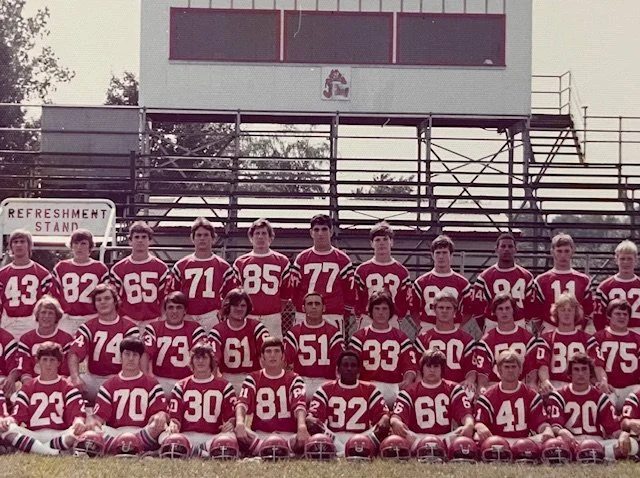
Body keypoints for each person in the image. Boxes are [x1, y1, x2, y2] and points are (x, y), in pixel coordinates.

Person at [0, 342, 86, 455]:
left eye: (52, 360)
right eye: (44, 360)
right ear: (38, 361)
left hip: (60, 433)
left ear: (59, 363)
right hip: (34, 434)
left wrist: (79, 422)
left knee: (79, 433)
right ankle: (53, 452)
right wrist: (7, 421)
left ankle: (35, 449)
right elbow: (17, 417)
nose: (48, 364)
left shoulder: (68, 387)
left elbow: (77, 414)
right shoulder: (28, 387)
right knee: (6, 429)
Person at [547, 353, 635, 460]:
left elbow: (613, 429)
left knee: (627, 444)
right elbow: (555, 425)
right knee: (553, 444)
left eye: (584, 369)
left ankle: (586, 454)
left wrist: (623, 435)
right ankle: (596, 455)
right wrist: (562, 431)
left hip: (596, 441)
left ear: (590, 373)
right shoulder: (559, 395)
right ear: (570, 373)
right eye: (576, 369)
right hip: (571, 440)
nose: (580, 373)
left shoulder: (600, 397)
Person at [89, 337, 168, 452]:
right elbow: (99, 418)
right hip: (116, 432)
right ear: (120, 357)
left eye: (135, 355)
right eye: (127, 354)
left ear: (140, 358)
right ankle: (130, 446)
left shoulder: (152, 384)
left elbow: (162, 412)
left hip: (142, 431)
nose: (131, 359)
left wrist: (161, 415)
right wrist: (93, 423)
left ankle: (120, 447)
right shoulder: (109, 385)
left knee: (158, 423)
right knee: (94, 428)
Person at [234, 337, 309, 456]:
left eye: (277, 351)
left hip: (288, 435)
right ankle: (279, 450)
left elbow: (299, 406)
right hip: (260, 435)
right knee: (231, 439)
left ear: (283, 356)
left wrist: (301, 426)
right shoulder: (253, 378)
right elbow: (242, 403)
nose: (272, 355)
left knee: (309, 440)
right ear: (262, 357)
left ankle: (269, 450)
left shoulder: (294, 378)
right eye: (268, 351)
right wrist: (239, 423)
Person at [161, 341, 237, 457]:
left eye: (204, 358)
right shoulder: (181, 385)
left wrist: (230, 423)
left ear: (211, 361)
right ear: (191, 360)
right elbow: (175, 418)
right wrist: (173, 424)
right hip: (186, 436)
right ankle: (202, 453)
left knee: (230, 438)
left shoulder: (224, 386)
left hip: (212, 437)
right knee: (164, 436)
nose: (200, 361)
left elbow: (230, 418)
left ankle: (193, 451)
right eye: (197, 358)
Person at [307, 350, 389, 455]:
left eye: (353, 365)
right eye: (345, 365)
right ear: (338, 369)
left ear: (359, 370)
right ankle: (347, 451)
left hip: (361, 436)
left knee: (384, 424)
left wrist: (384, 420)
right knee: (311, 422)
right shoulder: (326, 388)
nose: (349, 368)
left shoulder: (370, 389)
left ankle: (343, 452)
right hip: (334, 437)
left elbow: (384, 416)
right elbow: (311, 418)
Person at [390, 349, 475, 450]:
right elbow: (396, 417)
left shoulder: (453, 388)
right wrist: (396, 422)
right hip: (416, 437)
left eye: (436, 366)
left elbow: (466, 415)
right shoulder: (410, 391)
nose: (432, 370)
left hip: (445, 437)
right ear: (422, 368)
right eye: (428, 366)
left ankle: (430, 448)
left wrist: (469, 424)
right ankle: (431, 448)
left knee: (463, 432)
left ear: (442, 369)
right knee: (398, 434)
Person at [68, 283, 140, 401]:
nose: (102, 302)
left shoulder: (129, 327)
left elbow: (134, 359)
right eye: (98, 300)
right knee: (68, 387)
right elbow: (74, 354)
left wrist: (122, 377)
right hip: (93, 379)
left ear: (115, 301)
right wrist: (75, 377)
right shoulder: (88, 327)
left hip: (120, 379)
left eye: (107, 298)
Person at [286, 214, 355, 331]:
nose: (320, 233)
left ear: (331, 231)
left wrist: (342, 310)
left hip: (332, 315)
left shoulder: (342, 259)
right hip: (305, 315)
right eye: (316, 230)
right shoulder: (302, 259)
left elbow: (349, 291)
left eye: (324, 229)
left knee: (334, 349)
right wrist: (301, 308)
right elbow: (294, 290)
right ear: (311, 232)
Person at [349, 290, 417, 407]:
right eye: (377, 308)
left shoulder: (400, 337)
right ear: (370, 311)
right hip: (367, 386)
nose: (381, 312)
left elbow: (410, 367)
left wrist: (406, 382)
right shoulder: (359, 337)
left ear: (391, 311)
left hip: (393, 386)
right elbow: (352, 367)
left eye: (385, 309)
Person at [170, 217, 238, 332]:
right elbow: (172, 295)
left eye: (206, 235)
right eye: (199, 235)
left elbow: (231, 296)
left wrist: (222, 312)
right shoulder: (181, 265)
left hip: (211, 316)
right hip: (187, 316)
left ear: (213, 239)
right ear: (193, 239)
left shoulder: (223, 266)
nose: (202, 238)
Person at [475, 350, 554, 442]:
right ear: (499, 370)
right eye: (507, 367)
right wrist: (480, 427)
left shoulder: (531, 395)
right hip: (497, 444)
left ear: (520, 370)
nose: (510, 370)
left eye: (514, 367)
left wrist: (547, 429)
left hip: (525, 443)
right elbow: (479, 422)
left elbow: (540, 423)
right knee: (476, 437)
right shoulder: (488, 397)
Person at [537, 293, 607, 394]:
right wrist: (545, 381)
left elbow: (598, 366)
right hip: (555, 384)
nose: (566, 313)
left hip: (581, 385)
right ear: (556, 313)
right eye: (562, 310)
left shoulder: (587, 339)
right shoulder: (546, 338)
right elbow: (543, 367)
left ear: (576, 313)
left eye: (570, 310)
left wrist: (603, 381)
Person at [233, 218, 291, 338]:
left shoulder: (282, 261)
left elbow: (285, 295)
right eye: (257, 233)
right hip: (248, 316)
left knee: (273, 353)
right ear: (251, 238)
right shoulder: (240, 262)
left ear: (271, 238)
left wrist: (271, 308)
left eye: (264, 233)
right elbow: (236, 294)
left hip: (272, 316)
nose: (260, 237)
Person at [474, 294, 545, 392]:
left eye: (507, 308)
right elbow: (483, 374)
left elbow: (532, 369)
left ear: (513, 310)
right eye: (500, 309)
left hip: (521, 384)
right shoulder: (487, 340)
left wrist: (532, 383)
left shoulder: (527, 338)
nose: (504, 312)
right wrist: (481, 387)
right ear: (494, 312)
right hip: (496, 385)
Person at [144, 291, 207, 398]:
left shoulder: (195, 328)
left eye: (179, 307)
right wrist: (148, 378)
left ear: (185, 311)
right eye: (171, 307)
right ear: (165, 310)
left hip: (186, 381)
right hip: (160, 380)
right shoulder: (154, 328)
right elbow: (145, 355)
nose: (174, 311)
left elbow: (202, 357)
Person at [109, 221, 169, 331]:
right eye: (136, 237)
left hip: (154, 319)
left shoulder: (161, 268)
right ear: (130, 241)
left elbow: (163, 298)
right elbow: (114, 299)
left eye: (144, 237)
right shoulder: (118, 269)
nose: (140, 240)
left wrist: (162, 318)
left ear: (150, 240)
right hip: (128, 319)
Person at [284, 292, 344, 401]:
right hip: (302, 380)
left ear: (324, 308)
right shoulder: (295, 332)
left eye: (317, 304)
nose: (313, 307)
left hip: (326, 381)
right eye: (310, 304)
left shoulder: (333, 332)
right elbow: (284, 361)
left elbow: (339, 362)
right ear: (303, 308)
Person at [529, 233, 594, 333]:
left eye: (566, 251)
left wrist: (581, 327)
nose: (563, 255)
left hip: (576, 329)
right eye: (559, 251)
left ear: (573, 251)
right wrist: (543, 329)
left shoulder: (583, 280)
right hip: (550, 329)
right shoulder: (541, 280)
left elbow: (588, 310)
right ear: (552, 252)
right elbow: (535, 311)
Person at [209, 288, 269, 394]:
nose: (239, 309)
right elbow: (213, 362)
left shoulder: (256, 327)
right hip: (227, 378)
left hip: (252, 377)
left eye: (243, 306)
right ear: (228, 307)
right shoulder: (218, 330)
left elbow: (266, 356)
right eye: (235, 305)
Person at [415, 292, 477, 393]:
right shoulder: (423, 339)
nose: (444, 311)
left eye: (448, 308)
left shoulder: (466, 339)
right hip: (430, 385)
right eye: (441, 308)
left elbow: (471, 369)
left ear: (455, 311)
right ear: (434, 310)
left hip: (458, 385)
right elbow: (418, 370)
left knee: (469, 391)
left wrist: (469, 380)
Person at [50, 229, 109, 335]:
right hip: (67, 318)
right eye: (76, 243)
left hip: (91, 317)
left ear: (90, 246)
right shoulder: (61, 267)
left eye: (83, 243)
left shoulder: (100, 268)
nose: (79, 247)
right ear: (71, 246)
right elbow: (54, 295)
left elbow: (105, 297)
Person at [354, 222, 411, 329]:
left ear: (392, 242)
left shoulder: (402, 272)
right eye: (377, 240)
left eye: (385, 239)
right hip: (367, 319)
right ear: (371, 243)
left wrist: (397, 319)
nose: (382, 243)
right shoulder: (362, 270)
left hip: (392, 319)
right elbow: (357, 300)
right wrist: (360, 318)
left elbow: (404, 302)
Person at [472, 233, 534, 331]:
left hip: (519, 323)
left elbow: (531, 306)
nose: (506, 249)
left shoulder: (526, 276)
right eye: (503, 246)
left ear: (515, 249)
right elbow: (477, 308)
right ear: (496, 249)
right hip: (493, 323)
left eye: (510, 246)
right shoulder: (485, 277)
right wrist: (485, 326)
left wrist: (524, 321)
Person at [411, 235, 473, 334]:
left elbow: (469, 311)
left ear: (451, 255)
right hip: (428, 326)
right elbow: (413, 310)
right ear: (432, 255)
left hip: (453, 326)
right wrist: (420, 326)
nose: (441, 256)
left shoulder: (462, 283)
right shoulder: (421, 282)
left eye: (445, 253)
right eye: (438, 253)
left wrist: (459, 326)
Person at [0, 229, 52, 338]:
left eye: (22, 241)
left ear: (29, 245)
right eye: (15, 242)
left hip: (32, 322)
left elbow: (47, 303)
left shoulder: (42, 273)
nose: (18, 245)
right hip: (8, 322)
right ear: (10, 246)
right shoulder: (2, 274)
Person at [593, 299, 640, 412]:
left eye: (625, 314)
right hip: (609, 388)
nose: (622, 317)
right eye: (617, 313)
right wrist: (601, 382)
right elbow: (594, 366)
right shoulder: (598, 337)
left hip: (631, 388)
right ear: (609, 316)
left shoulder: (637, 339)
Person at [16, 295, 74, 382]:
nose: (46, 316)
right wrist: (32, 388)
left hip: (58, 383)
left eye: (50, 313)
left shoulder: (66, 339)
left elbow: (65, 372)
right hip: (33, 383)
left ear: (57, 317)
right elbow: (25, 371)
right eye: (43, 312)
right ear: (37, 315)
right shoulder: (26, 339)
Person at [594, 240, 640, 333]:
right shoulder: (605, 287)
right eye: (622, 259)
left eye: (629, 259)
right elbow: (598, 317)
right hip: (613, 334)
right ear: (616, 260)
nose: (626, 262)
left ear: (636, 260)